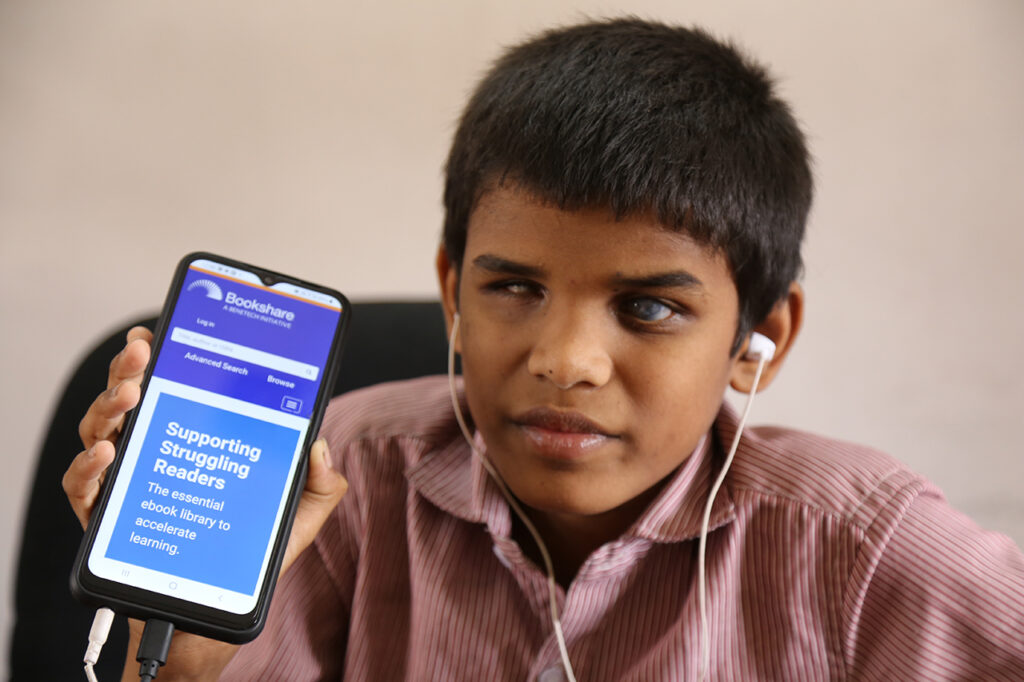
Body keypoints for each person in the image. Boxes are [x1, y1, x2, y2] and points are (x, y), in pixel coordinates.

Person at [63, 18, 1024, 681]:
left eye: (648, 308)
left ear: (757, 339)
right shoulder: (335, 486)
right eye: (515, 288)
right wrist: (186, 652)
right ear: (452, 289)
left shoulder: (860, 549)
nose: (566, 360)